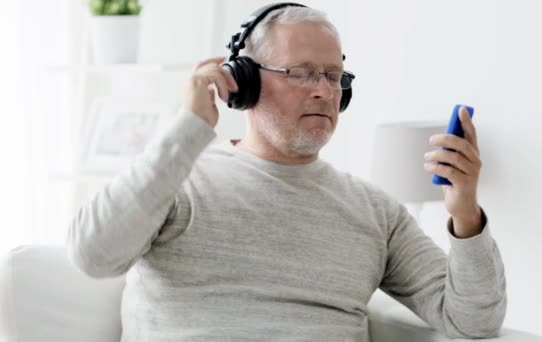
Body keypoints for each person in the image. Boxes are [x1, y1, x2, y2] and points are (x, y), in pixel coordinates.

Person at [66, 3, 506, 341]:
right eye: (301, 73)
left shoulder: (375, 212)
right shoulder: (178, 181)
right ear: (244, 81)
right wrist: (189, 128)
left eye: (334, 76)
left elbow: (473, 320)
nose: (324, 91)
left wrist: (464, 210)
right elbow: (93, 254)